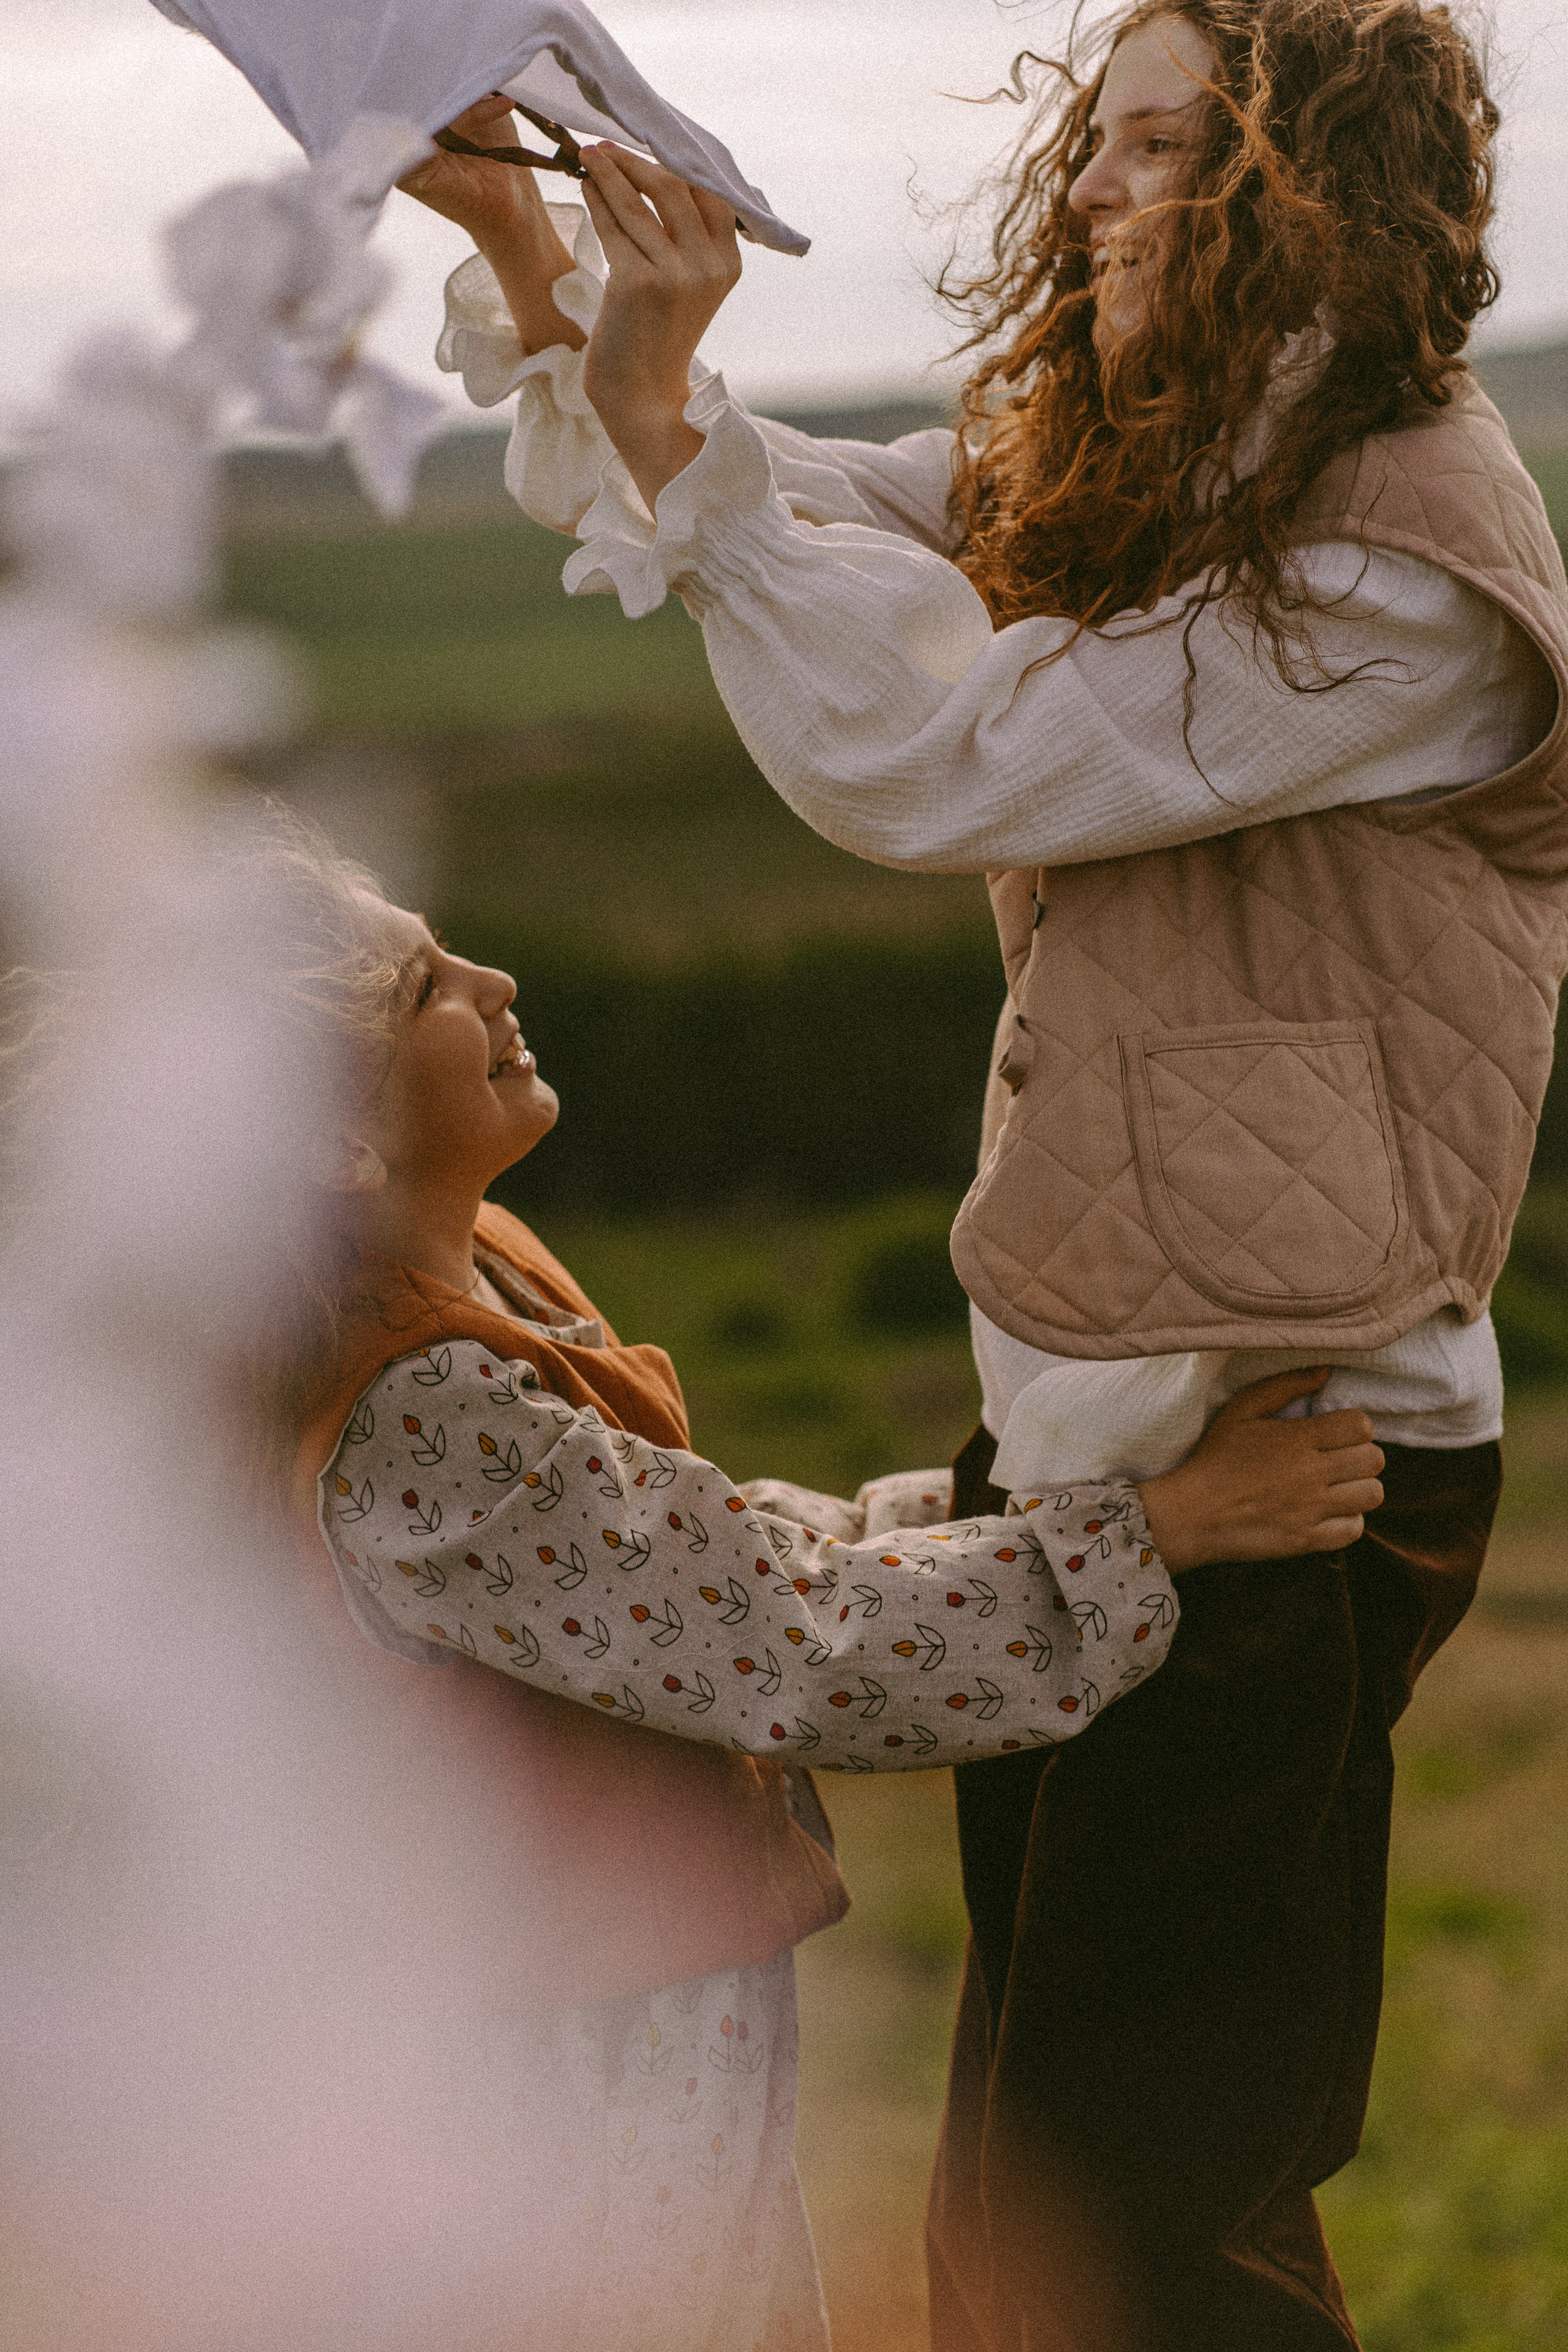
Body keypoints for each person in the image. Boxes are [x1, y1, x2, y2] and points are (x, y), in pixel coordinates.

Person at [399, 0, 1568, 2342]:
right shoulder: (1178, 461)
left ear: (1316, 190)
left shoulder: (1412, 571)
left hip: (1287, 1477)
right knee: (1039, 2226)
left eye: (1170, 150)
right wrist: (544, 261)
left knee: (1148, 2241)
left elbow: (937, 754)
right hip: (1106, 1447)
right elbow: (806, 500)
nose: (1108, 190)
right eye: (1107, 142)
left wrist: (658, 413)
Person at [235, 809, 1385, 2351]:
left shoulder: (487, 1275)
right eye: (422, 989)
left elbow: (696, 1548)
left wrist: (1002, 1501)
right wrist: (1153, 1531)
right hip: (555, 2039)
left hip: (635, 1988)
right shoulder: (414, 1414)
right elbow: (782, 1639)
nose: (495, 979)